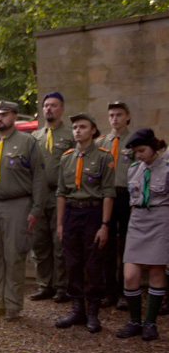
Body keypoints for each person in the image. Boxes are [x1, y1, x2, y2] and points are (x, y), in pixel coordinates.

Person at [0, 100, 46, 321]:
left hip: (17, 204)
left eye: (4, 114)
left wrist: (36, 209)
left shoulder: (28, 142)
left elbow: (39, 179)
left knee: (14, 254)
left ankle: (13, 304)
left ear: (15, 117)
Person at [54, 113, 115, 333]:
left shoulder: (103, 157)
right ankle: (77, 310)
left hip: (93, 213)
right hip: (72, 213)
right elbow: (61, 192)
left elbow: (108, 193)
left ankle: (93, 313)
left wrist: (105, 225)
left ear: (93, 131)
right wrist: (60, 224)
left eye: (82, 127)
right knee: (72, 263)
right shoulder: (66, 157)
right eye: (75, 127)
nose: (77, 130)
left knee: (94, 263)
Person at [114, 129, 169, 341]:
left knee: (156, 273)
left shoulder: (166, 168)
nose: (138, 155)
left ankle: (150, 323)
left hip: (160, 220)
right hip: (138, 222)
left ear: (154, 147)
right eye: (135, 152)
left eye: (142, 150)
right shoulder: (134, 169)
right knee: (130, 276)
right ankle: (134, 321)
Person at [30, 92, 75, 303]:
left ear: (62, 109)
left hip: (61, 195)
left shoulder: (70, 135)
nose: (48, 109)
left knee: (60, 242)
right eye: (46, 105)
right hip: (39, 196)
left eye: (53, 106)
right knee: (40, 242)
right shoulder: (35, 137)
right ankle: (44, 285)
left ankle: (61, 286)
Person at [96, 101, 134, 310]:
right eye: (111, 115)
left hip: (127, 197)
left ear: (127, 117)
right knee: (106, 246)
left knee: (126, 246)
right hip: (107, 198)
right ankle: (108, 291)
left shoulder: (134, 141)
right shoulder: (102, 142)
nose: (115, 119)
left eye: (119, 115)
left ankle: (124, 292)